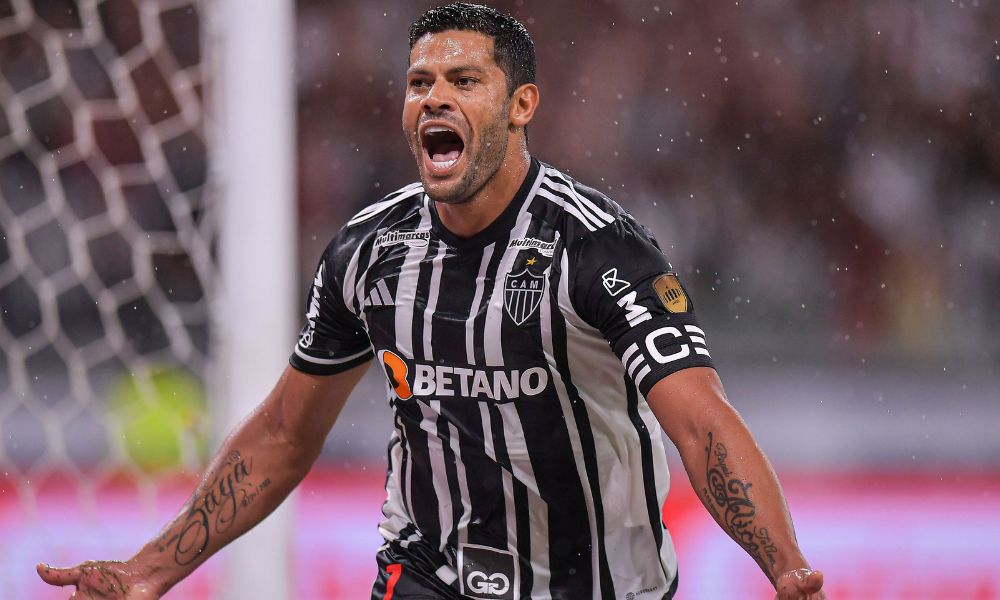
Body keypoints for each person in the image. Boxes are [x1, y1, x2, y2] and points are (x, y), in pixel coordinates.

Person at [38, 3, 825, 599]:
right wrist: (149, 570)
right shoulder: (368, 252)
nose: (434, 99)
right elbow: (283, 434)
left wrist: (785, 567)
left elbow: (701, 420)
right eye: (420, 84)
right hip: (427, 573)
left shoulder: (600, 250)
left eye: (464, 81)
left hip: (598, 585)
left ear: (521, 106)